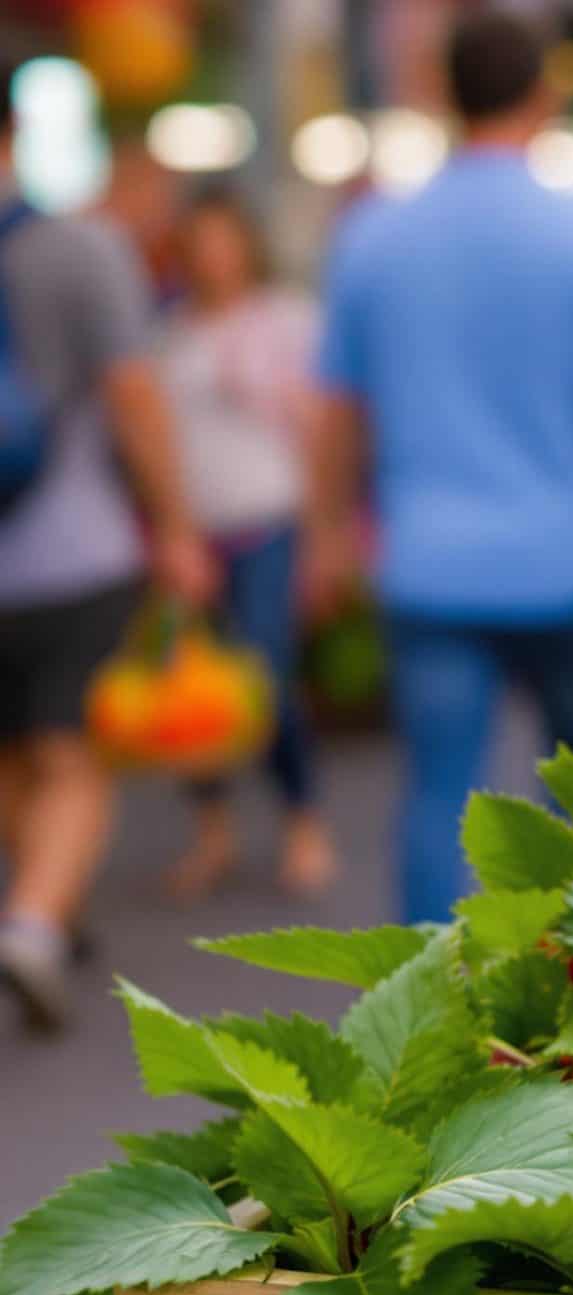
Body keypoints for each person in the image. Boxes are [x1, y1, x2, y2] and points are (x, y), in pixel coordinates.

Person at [306, 12, 573, 922]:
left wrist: (326, 537)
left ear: (444, 92)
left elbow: (334, 416)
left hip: (430, 565)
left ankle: (433, 1012)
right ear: (545, 96)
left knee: (439, 796)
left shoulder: (374, 237)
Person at [0, 54, 216, 1031]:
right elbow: (133, 397)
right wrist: (174, 524)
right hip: (70, 548)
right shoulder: (79, 250)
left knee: (13, 754)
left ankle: (43, 904)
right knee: (70, 752)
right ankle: (37, 922)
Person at [159, 190, 338, 899]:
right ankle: (213, 830)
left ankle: (303, 820)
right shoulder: (167, 332)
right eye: (199, 243)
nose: (213, 258)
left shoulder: (289, 320)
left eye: (223, 241)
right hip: (193, 535)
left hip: (269, 522)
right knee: (191, 687)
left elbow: (325, 425)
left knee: (266, 674)